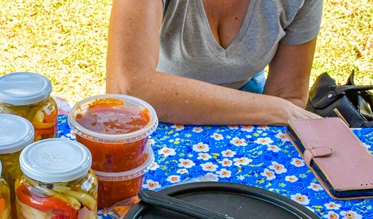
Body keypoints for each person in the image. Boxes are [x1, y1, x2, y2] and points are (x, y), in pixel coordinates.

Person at [106, 0, 323, 126]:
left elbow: (289, 96)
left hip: (253, 107)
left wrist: (279, 110)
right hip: (155, 114)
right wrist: (277, 111)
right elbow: (127, 88)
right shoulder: (276, 110)